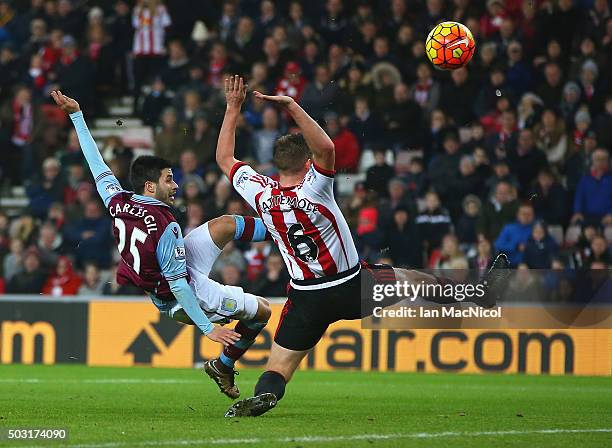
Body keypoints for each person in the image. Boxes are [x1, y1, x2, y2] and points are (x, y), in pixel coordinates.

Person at [215, 76, 510, 417]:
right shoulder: (315, 187)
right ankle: (480, 294)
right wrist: (293, 106)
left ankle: (265, 395)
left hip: (305, 297)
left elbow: (225, 158)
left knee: (280, 365)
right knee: (416, 280)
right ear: (308, 164)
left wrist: (233, 107)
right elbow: (327, 148)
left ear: (277, 166)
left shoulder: (261, 192)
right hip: (351, 286)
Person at [51, 90, 272, 400]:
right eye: (170, 179)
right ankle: (223, 365)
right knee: (262, 311)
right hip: (181, 295)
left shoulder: (117, 199)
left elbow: (96, 163)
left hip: (166, 273)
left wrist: (77, 115)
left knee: (226, 224)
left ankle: (282, 226)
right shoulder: (164, 225)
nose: (176, 185)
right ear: (151, 186)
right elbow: (179, 284)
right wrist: (208, 329)